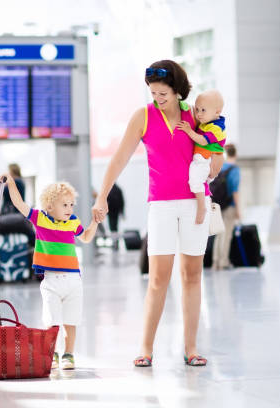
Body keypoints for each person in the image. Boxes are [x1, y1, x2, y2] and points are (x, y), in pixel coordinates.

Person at [92, 60, 224, 368]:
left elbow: (216, 145)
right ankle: (146, 348)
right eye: (153, 93)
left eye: (163, 93)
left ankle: (190, 348)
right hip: (161, 206)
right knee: (157, 279)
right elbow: (120, 158)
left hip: (195, 204)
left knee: (192, 276)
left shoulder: (196, 114)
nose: (158, 99)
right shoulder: (144, 116)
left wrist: (216, 158)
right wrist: (101, 196)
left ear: (178, 91)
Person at [4, 174, 99, 370]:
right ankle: (53, 353)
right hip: (51, 281)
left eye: (71, 204)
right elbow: (19, 203)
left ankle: (69, 354)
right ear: (49, 206)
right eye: (64, 205)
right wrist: (11, 183)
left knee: (71, 321)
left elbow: (87, 237)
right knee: (52, 322)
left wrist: (95, 222)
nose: (70, 209)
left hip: (73, 281)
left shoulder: (73, 222)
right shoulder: (39, 218)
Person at [177, 89, 227, 224]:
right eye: (197, 110)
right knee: (200, 182)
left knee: (195, 182)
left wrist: (188, 130)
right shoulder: (208, 122)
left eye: (203, 110)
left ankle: (201, 207)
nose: (198, 114)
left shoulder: (217, 128)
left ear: (217, 112)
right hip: (204, 159)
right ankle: (204, 202)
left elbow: (203, 141)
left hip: (204, 160)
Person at [212, 143, 241, 270]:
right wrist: (238, 209)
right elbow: (235, 191)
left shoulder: (221, 167)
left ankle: (215, 262)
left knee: (218, 233)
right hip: (229, 205)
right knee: (227, 234)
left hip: (217, 204)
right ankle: (224, 261)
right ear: (235, 154)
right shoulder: (234, 169)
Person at [106, 184, 125, 250]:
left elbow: (106, 201)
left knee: (113, 228)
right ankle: (115, 243)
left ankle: (115, 243)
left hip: (112, 212)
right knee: (114, 228)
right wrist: (122, 212)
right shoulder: (118, 189)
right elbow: (122, 202)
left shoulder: (109, 189)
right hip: (114, 212)